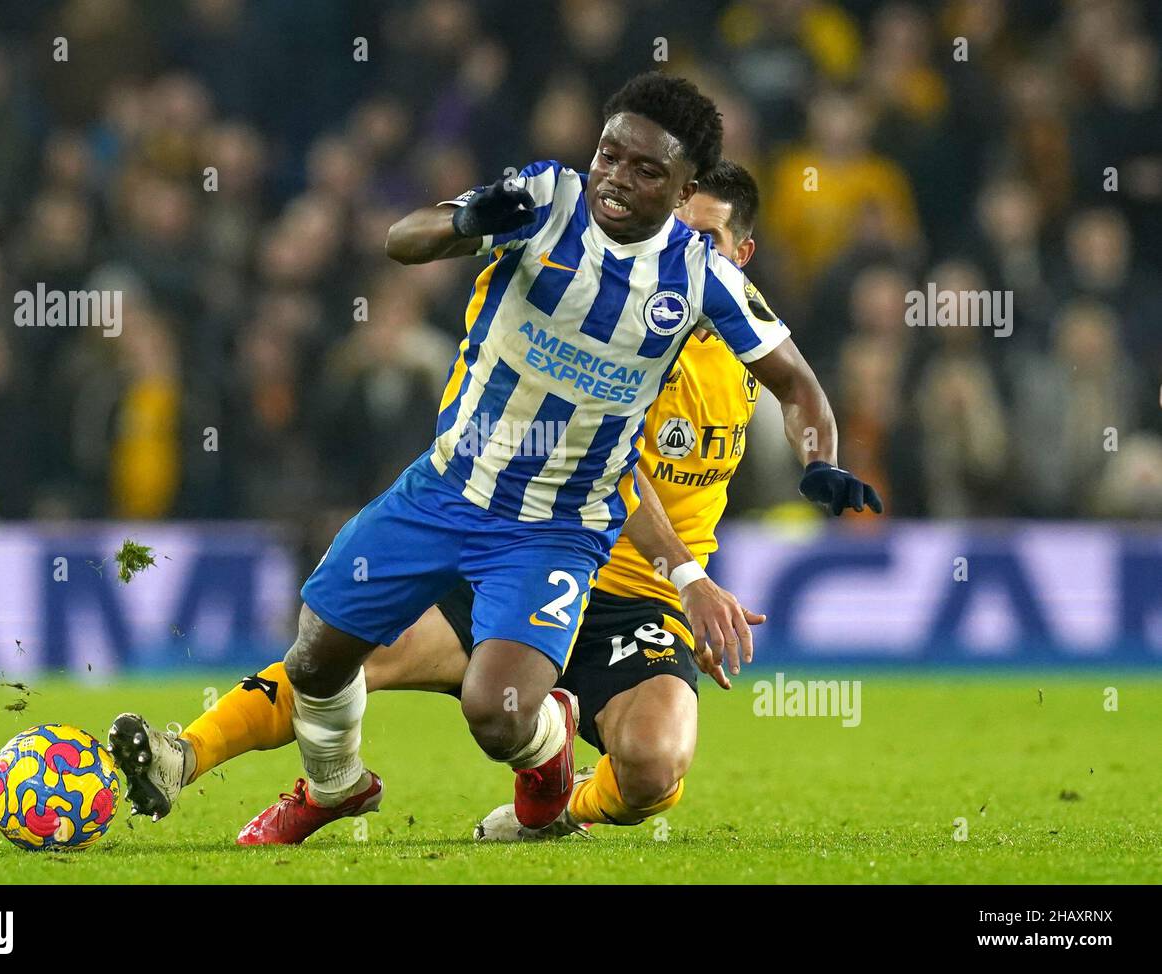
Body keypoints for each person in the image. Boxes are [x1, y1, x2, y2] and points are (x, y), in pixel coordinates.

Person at [111, 72, 880, 845]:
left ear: (700, 213)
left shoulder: (704, 296)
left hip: (583, 559)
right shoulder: (547, 200)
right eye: (609, 156)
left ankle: (552, 791)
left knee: (571, 739)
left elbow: (800, 386)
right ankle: (268, 772)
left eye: (647, 171)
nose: (616, 179)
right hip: (458, 495)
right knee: (325, 655)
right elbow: (404, 240)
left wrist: (820, 462)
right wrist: (464, 221)